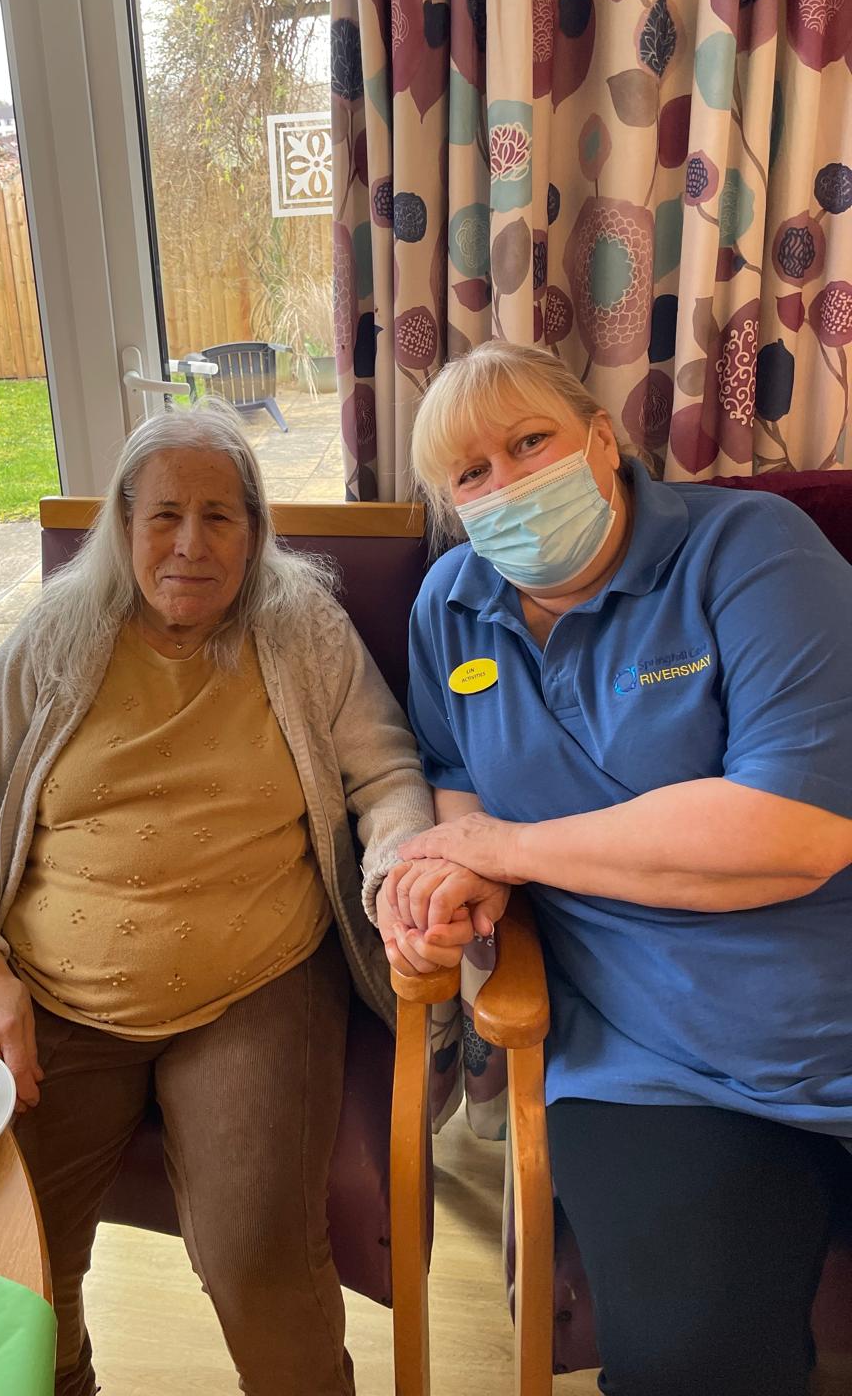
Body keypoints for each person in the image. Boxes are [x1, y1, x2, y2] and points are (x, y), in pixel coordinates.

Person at [0, 401, 432, 1396]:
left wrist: (397, 868)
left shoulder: (302, 628)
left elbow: (387, 775)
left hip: (256, 985)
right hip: (51, 994)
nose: (191, 544)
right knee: (8, 1253)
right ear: (124, 526)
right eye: (165, 516)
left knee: (258, 1258)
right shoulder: (60, 635)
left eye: (220, 516)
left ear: (256, 531)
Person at [375, 341, 852, 1396]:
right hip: (650, 1059)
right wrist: (457, 887)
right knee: (691, 1368)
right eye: (471, 473)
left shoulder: (750, 551)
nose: (508, 484)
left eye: (529, 442)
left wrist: (510, 850)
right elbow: (459, 789)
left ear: (602, 438)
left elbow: (800, 828)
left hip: (826, 998)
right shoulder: (448, 608)